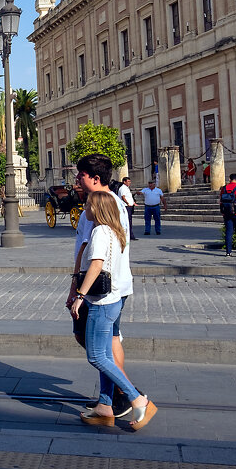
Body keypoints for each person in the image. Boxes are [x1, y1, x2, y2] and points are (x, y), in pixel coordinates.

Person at [69, 190, 156, 430]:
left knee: (96, 356)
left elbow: (96, 265)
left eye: (87, 205)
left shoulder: (99, 232)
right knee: (105, 355)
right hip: (114, 298)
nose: (85, 209)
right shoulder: (115, 231)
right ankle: (105, 407)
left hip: (101, 302)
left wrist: (79, 296)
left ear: (96, 208)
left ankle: (137, 399)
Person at [68, 154, 135, 420]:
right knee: (108, 340)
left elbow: (88, 253)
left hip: (101, 290)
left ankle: (128, 394)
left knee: (96, 346)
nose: (77, 179)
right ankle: (108, 402)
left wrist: (76, 291)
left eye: (81, 175)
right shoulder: (114, 203)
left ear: (95, 178)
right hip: (116, 286)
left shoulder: (98, 208)